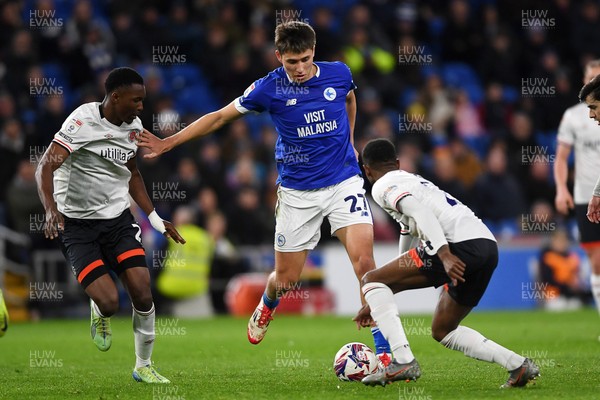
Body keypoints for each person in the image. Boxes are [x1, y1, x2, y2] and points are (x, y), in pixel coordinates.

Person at [136, 21, 388, 356]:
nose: (299, 68)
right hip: (298, 193)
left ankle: (384, 350)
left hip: (344, 181)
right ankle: (268, 302)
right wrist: (170, 142)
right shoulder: (268, 89)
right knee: (285, 280)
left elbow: (350, 98)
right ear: (278, 57)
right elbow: (219, 117)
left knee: (364, 263)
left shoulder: (339, 74)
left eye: (305, 59)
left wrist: (352, 141)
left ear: (314, 52)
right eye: (291, 62)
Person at [35, 67, 186, 383]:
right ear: (115, 97)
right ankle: (99, 312)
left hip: (117, 221)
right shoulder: (82, 121)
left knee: (143, 293)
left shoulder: (133, 128)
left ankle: (143, 365)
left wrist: (155, 220)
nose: (141, 107)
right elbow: (44, 168)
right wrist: (50, 210)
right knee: (109, 302)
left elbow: (132, 174)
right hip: (77, 226)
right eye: (137, 100)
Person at [353, 138, 540, 388]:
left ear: (366, 170)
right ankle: (518, 365)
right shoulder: (411, 178)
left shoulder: (381, 187)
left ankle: (403, 361)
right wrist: (380, 293)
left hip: (455, 246)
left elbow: (422, 213)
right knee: (443, 329)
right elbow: (408, 230)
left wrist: (444, 254)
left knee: (369, 279)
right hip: (486, 245)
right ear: (397, 163)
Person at [554, 60, 600, 325]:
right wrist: (562, 189)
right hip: (586, 196)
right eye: (590, 79)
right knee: (596, 259)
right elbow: (561, 158)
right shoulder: (573, 116)